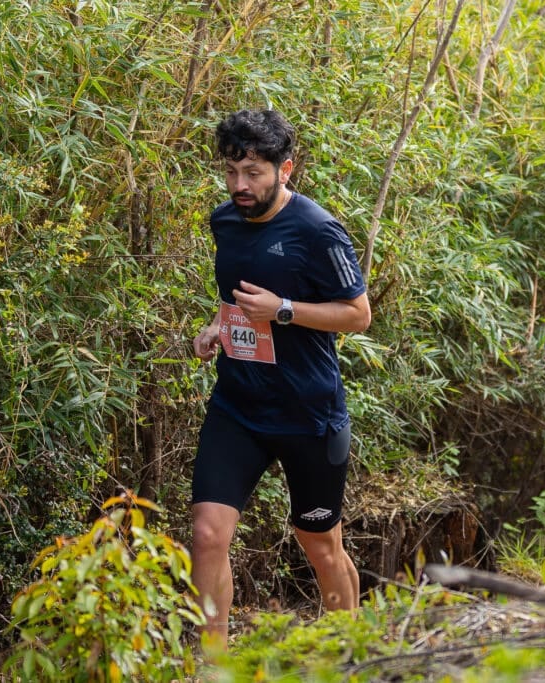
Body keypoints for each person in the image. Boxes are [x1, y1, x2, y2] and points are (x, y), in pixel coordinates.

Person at [190, 109, 371, 644]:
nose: (240, 186)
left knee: (319, 543)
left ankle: (347, 654)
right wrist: (216, 327)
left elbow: (358, 315)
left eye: (254, 173)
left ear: (284, 169)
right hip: (238, 407)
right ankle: (213, 667)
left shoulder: (318, 231)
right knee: (207, 534)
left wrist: (285, 309)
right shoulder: (224, 221)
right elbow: (238, 302)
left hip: (307, 414)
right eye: (231, 172)